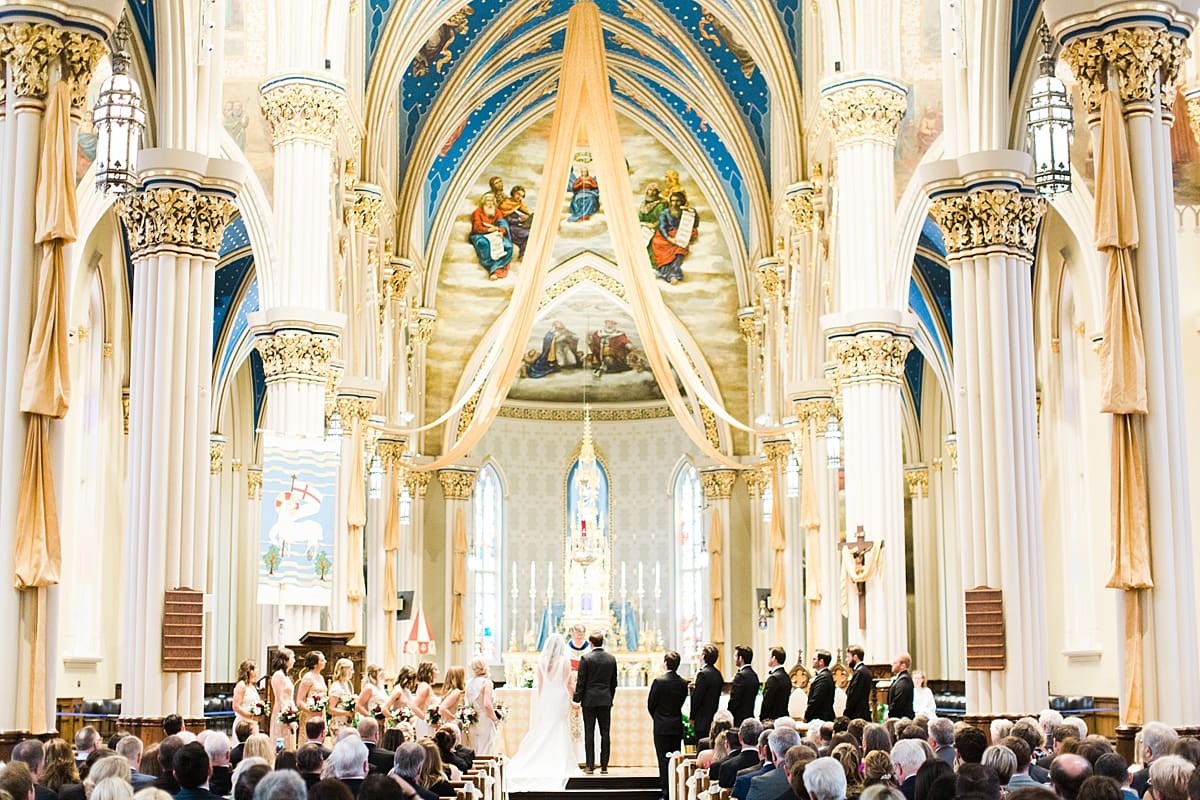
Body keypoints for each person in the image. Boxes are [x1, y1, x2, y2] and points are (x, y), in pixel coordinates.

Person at [506, 634, 582, 791]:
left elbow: (540, 686)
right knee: (560, 726)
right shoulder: (564, 661)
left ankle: (544, 757)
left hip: (546, 697)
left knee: (547, 726)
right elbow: (568, 684)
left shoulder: (541, 661)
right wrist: (573, 700)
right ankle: (558, 760)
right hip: (560, 697)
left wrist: (541, 702)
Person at [574, 630, 618, 775]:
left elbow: (581, 682)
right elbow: (614, 683)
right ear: (602, 643)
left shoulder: (586, 658)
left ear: (591, 643)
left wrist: (576, 699)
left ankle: (590, 766)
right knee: (605, 733)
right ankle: (604, 766)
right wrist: (609, 697)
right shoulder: (611, 659)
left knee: (589, 733)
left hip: (589, 700)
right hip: (605, 699)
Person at [648, 651, 688, 800]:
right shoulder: (683, 683)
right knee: (675, 758)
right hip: (676, 724)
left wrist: (658, 718)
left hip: (661, 725)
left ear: (665, 664)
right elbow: (681, 702)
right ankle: (675, 790)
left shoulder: (659, 681)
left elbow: (651, 704)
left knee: (663, 759)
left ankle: (665, 792)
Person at [650, 191, 698, 284]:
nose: (674, 204)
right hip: (666, 236)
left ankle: (674, 274)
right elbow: (662, 227)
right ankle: (664, 272)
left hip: (680, 234)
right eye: (672, 201)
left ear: (682, 202)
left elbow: (695, 224)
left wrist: (692, 214)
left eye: (678, 201)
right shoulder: (664, 213)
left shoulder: (686, 212)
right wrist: (669, 238)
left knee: (680, 248)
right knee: (657, 243)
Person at [468, 193, 513, 280]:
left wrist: (501, 231)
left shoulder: (496, 211)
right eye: (488, 200)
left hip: (495, 234)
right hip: (480, 234)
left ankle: (497, 268)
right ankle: (491, 269)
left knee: (508, 246)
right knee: (484, 244)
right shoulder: (477, 212)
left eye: (492, 200)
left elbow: (502, 223)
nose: (490, 203)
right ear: (484, 202)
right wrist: (488, 230)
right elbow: (476, 227)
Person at [690, 644, 724, 747]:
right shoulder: (718, 674)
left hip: (701, 719)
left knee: (701, 746)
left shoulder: (702, 674)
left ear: (704, 656)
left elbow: (697, 698)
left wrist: (692, 716)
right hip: (712, 716)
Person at [465, 657, 499, 755]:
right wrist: (495, 719)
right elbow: (487, 704)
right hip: (484, 719)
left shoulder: (469, 683)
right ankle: (485, 769)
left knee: (475, 748)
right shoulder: (486, 683)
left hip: (472, 719)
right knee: (486, 748)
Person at [296, 651, 328, 746]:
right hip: (310, 715)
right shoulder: (308, 677)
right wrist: (311, 710)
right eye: (322, 660)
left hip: (321, 714)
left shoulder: (321, 677)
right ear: (315, 664)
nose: (325, 661)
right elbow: (299, 701)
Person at [270, 647, 297, 751]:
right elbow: (280, 699)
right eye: (292, 658)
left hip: (289, 710)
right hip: (283, 713)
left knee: (290, 741)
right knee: (281, 740)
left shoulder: (285, 676)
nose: (294, 660)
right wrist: (288, 718)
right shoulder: (278, 675)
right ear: (285, 660)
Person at [727, 645, 760, 725]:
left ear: (740, 658)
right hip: (749, 717)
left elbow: (734, 700)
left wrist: (728, 714)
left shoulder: (740, 676)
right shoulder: (754, 675)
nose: (734, 659)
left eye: (735, 656)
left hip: (739, 719)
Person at [497, 185, 533, 258]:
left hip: (515, 226)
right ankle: (522, 255)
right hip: (507, 227)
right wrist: (519, 219)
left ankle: (522, 255)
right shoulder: (505, 203)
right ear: (513, 193)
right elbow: (503, 218)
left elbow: (527, 211)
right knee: (530, 234)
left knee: (531, 232)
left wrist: (528, 217)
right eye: (518, 194)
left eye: (522, 196)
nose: (519, 197)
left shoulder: (518, 203)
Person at [760, 646, 791, 722]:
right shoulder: (786, 676)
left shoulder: (773, 678)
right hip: (783, 717)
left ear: (773, 658)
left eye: (769, 656)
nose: (767, 659)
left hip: (772, 719)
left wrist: (762, 718)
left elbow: (767, 701)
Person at [411, 662, 441, 738]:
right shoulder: (424, 686)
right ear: (428, 672)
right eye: (435, 669)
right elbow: (414, 706)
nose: (438, 672)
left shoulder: (427, 686)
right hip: (424, 724)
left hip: (428, 723)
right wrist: (427, 720)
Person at [806, 650, 836, 723]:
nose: (812, 661)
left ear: (821, 662)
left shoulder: (823, 677)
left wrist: (807, 715)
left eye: (814, 659)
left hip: (821, 718)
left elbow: (816, 699)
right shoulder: (825, 675)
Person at [328, 658, 357, 733]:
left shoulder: (346, 684)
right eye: (351, 669)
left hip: (346, 722)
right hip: (339, 723)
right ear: (345, 670)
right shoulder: (336, 687)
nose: (353, 672)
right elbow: (331, 709)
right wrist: (347, 713)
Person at [233, 661, 264, 725]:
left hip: (253, 721)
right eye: (255, 669)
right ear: (250, 671)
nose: (257, 670)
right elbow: (236, 706)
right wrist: (249, 716)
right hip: (243, 721)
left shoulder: (252, 685)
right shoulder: (241, 685)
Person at [887, 654, 914, 720]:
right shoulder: (901, 678)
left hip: (901, 719)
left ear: (903, 666)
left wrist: (890, 715)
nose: (892, 664)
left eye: (895, 663)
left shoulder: (904, 680)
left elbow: (899, 701)